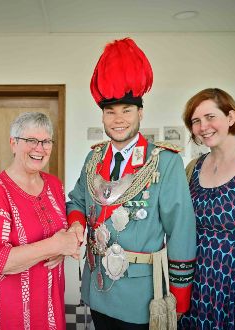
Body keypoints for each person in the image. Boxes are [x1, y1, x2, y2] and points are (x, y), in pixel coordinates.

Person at [66, 37, 197, 329]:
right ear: (102, 115)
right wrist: (76, 223)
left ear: (140, 112)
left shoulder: (164, 162)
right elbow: (76, 200)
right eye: (110, 111)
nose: (118, 119)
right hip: (97, 287)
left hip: (139, 295)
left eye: (126, 110)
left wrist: (179, 295)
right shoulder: (94, 160)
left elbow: (181, 231)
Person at [0, 112, 80, 330]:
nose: (39, 148)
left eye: (46, 141)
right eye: (31, 140)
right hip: (10, 309)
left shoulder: (54, 185)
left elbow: (61, 230)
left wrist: (65, 243)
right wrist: (54, 245)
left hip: (51, 305)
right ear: (13, 143)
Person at [179, 88, 235, 329]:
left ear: (230, 117)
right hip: (198, 282)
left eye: (210, 117)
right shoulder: (193, 168)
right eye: (196, 121)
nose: (203, 126)